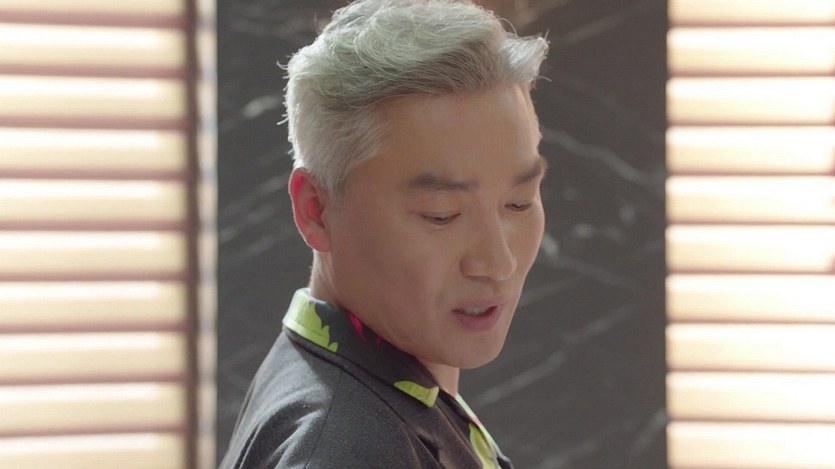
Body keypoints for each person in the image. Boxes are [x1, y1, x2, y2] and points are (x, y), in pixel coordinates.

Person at [220, 0, 548, 467]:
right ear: (316, 210)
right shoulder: (347, 445)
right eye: (442, 215)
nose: (498, 263)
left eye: (520, 202)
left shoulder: (365, 390)